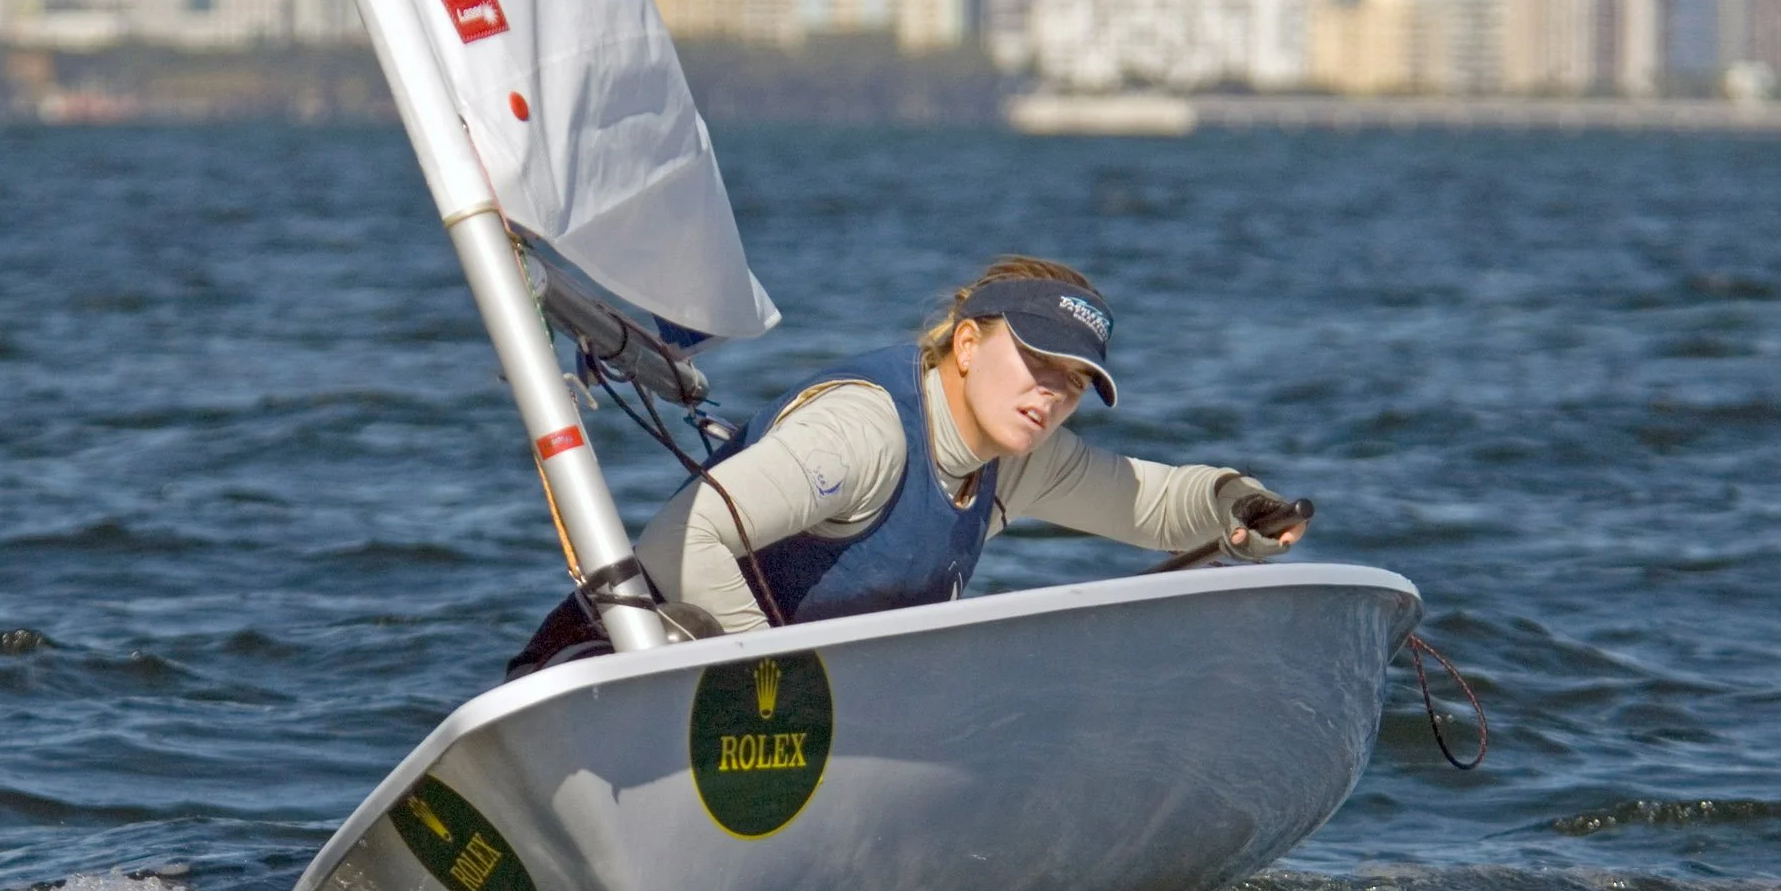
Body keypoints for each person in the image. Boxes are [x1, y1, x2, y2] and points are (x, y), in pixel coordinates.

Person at [507, 256, 1307, 676]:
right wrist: (778, 685)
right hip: (592, 686)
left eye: (1074, 382)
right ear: (966, 343)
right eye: (1037, 362)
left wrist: (1238, 505)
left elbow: (1155, 505)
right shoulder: (867, 435)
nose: (1052, 394)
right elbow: (678, 540)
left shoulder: (1011, 456)